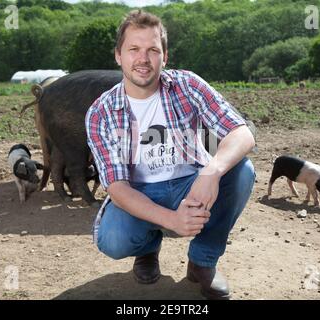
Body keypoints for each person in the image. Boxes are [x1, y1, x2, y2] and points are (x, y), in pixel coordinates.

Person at [86, 10, 255, 300]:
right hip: (139, 191)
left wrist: (210, 172)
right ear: (118, 55)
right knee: (112, 239)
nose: (143, 59)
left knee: (242, 171)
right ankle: (147, 249)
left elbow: (241, 134)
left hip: (190, 185)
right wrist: (171, 220)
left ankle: (203, 262)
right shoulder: (100, 113)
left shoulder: (187, 85)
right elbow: (117, 187)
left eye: (153, 50)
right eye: (134, 50)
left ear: (165, 56)